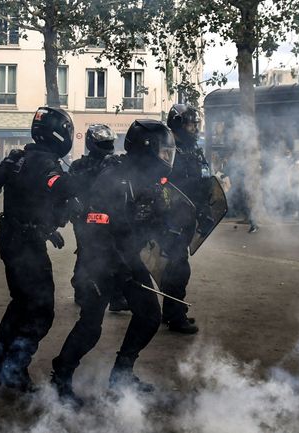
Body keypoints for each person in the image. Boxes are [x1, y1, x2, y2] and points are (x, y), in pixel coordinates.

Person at [51, 120, 178, 406]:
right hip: (99, 260)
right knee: (90, 326)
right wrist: (114, 262)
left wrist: (167, 229)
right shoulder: (113, 178)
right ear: (146, 150)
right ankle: (60, 377)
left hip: (127, 259)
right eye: (163, 151)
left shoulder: (145, 179)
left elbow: (144, 219)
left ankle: (121, 375)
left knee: (149, 315)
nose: (167, 158)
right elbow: (94, 223)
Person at [0, 107, 78, 392]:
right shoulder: (47, 164)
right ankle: (14, 370)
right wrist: (87, 183)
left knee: (20, 302)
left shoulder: (18, 157)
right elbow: (57, 185)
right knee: (41, 309)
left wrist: (47, 230)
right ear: (59, 134)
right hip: (26, 245)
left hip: (11, 238)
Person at [68, 124, 129, 312]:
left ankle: (116, 298)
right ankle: (80, 290)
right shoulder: (79, 165)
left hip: (108, 215)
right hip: (84, 216)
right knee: (86, 253)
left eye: (109, 142)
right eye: (104, 142)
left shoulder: (114, 163)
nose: (108, 145)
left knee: (116, 254)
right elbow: (71, 188)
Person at [163, 103, 208, 334]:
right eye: (191, 124)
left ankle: (170, 312)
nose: (195, 128)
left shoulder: (192, 150)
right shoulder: (170, 151)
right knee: (178, 269)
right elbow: (169, 186)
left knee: (176, 266)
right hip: (174, 218)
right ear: (179, 125)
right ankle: (175, 316)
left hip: (188, 215)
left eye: (196, 124)